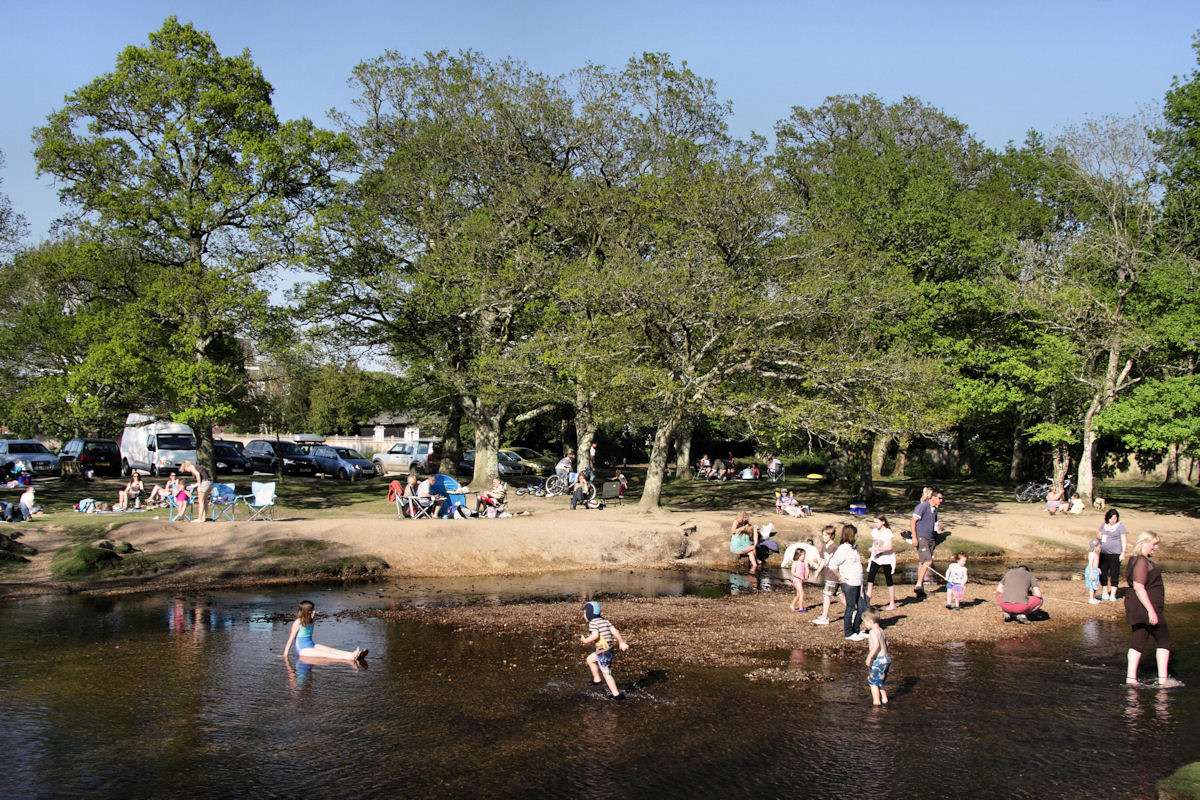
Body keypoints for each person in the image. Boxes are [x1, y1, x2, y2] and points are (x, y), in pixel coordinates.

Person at [1124, 531, 1183, 688]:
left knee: (1138, 641)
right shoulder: (1141, 561)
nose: (1155, 548)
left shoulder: (1135, 560)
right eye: (1154, 544)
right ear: (1144, 542)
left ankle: (1131, 679)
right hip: (1146, 607)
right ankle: (1163, 680)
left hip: (1138, 607)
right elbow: (1138, 586)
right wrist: (1151, 610)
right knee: (1164, 640)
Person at [281, 600, 366, 662]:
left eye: (314, 610)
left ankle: (353, 654)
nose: (314, 612)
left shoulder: (312, 621)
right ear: (306, 612)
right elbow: (290, 640)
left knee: (331, 650)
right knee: (327, 655)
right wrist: (285, 657)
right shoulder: (298, 622)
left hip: (311, 645)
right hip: (303, 649)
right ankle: (352, 658)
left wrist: (312, 617)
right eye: (311, 611)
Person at [827, 524, 869, 641]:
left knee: (863, 608)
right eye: (855, 533)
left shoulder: (853, 548)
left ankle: (856, 630)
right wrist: (840, 577)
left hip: (858, 582)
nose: (857, 535)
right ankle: (848, 633)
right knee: (850, 608)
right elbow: (832, 564)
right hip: (849, 583)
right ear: (851, 534)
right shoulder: (843, 549)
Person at [580, 601, 629, 700]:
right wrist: (621, 642)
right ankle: (597, 679)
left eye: (585, 613)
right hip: (607, 650)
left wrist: (585, 640)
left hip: (603, 651)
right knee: (590, 659)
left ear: (590, 613)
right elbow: (614, 631)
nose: (584, 616)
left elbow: (595, 635)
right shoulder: (605, 621)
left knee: (606, 673)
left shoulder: (593, 623)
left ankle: (617, 695)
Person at [911, 488, 943, 599]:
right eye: (939, 498)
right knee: (928, 561)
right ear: (933, 497)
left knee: (922, 562)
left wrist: (936, 536)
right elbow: (913, 521)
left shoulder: (934, 509)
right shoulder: (922, 506)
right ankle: (919, 584)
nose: (941, 500)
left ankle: (920, 588)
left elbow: (935, 524)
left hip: (931, 539)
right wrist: (914, 538)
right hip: (921, 537)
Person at [865, 515, 897, 610]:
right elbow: (875, 543)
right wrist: (874, 551)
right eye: (875, 522)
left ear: (883, 522)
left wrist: (877, 549)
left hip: (886, 559)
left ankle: (892, 603)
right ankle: (867, 602)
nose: (876, 524)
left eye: (877, 522)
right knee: (870, 579)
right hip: (876, 558)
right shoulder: (874, 532)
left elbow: (889, 547)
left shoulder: (888, 532)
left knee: (889, 579)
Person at [811, 525, 840, 626]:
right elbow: (823, 561)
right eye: (823, 535)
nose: (823, 537)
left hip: (834, 575)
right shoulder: (824, 547)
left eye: (825, 535)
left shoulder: (835, 547)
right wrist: (817, 573)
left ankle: (825, 617)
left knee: (826, 595)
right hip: (827, 574)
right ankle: (853, 611)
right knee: (838, 594)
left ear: (831, 536)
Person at [1098, 508, 1127, 602]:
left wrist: (1123, 553)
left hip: (1115, 553)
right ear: (1108, 518)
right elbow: (1098, 536)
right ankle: (1105, 592)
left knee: (1114, 573)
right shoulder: (1103, 525)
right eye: (1112, 518)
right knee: (1103, 572)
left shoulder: (1120, 527)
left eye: (1115, 518)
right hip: (1103, 553)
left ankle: (1113, 594)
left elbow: (1124, 540)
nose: (1113, 520)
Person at [863, 609, 890, 706]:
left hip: (879, 660)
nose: (865, 625)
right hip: (886, 658)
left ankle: (876, 702)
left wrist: (869, 657)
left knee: (873, 682)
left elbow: (876, 645)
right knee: (879, 679)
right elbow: (886, 643)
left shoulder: (873, 632)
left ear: (870, 622)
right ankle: (884, 698)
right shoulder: (881, 630)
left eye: (865, 623)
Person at [1085, 537, 1102, 604]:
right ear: (1095, 547)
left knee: (1095, 585)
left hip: (1095, 570)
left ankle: (1093, 598)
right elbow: (1090, 565)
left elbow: (1095, 564)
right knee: (1092, 586)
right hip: (1091, 571)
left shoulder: (1095, 554)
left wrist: (1097, 569)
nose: (1100, 549)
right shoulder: (1091, 554)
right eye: (1099, 547)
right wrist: (1092, 574)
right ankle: (1091, 599)